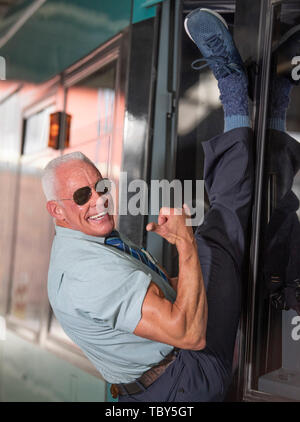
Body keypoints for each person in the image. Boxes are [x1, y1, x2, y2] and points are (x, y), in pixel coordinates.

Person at [43, 9, 254, 402]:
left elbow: (167, 292)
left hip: (154, 388)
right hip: (184, 382)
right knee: (219, 234)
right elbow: (190, 334)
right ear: (56, 211)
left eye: (100, 186)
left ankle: (267, 101)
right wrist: (186, 245)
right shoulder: (87, 273)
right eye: (82, 196)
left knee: (222, 254)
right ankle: (237, 90)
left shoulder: (90, 247)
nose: (99, 200)